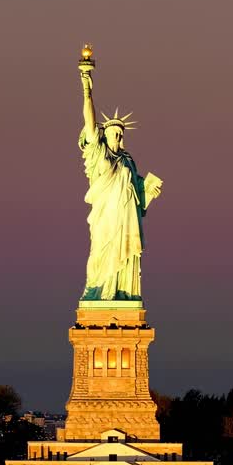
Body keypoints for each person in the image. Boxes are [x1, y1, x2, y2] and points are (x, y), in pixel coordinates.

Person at [78, 52, 162, 300]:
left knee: (125, 258)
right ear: (106, 135)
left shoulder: (128, 161)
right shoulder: (98, 154)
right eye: (115, 133)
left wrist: (149, 191)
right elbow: (90, 121)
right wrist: (86, 89)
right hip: (106, 220)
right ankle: (99, 294)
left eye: (122, 134)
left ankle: (123, 295)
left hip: (126, 221)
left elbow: (139, 200)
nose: (120, 138)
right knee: (99, 258)